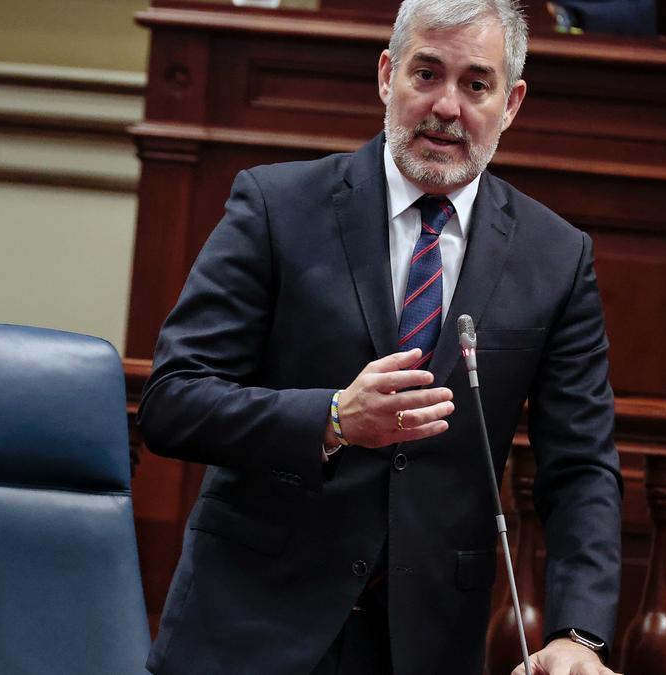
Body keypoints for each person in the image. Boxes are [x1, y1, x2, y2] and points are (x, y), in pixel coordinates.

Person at [136, 0, 623, 673]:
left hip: (423, 644)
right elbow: (173, 399)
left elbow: (582, 466)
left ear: (510, 103)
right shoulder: (277, 207)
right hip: (248, 628)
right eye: (426, 74)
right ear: (386, 74)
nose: (446, 107)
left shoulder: (556, 257)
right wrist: (332, 417)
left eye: (475, 85)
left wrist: (579, 632)